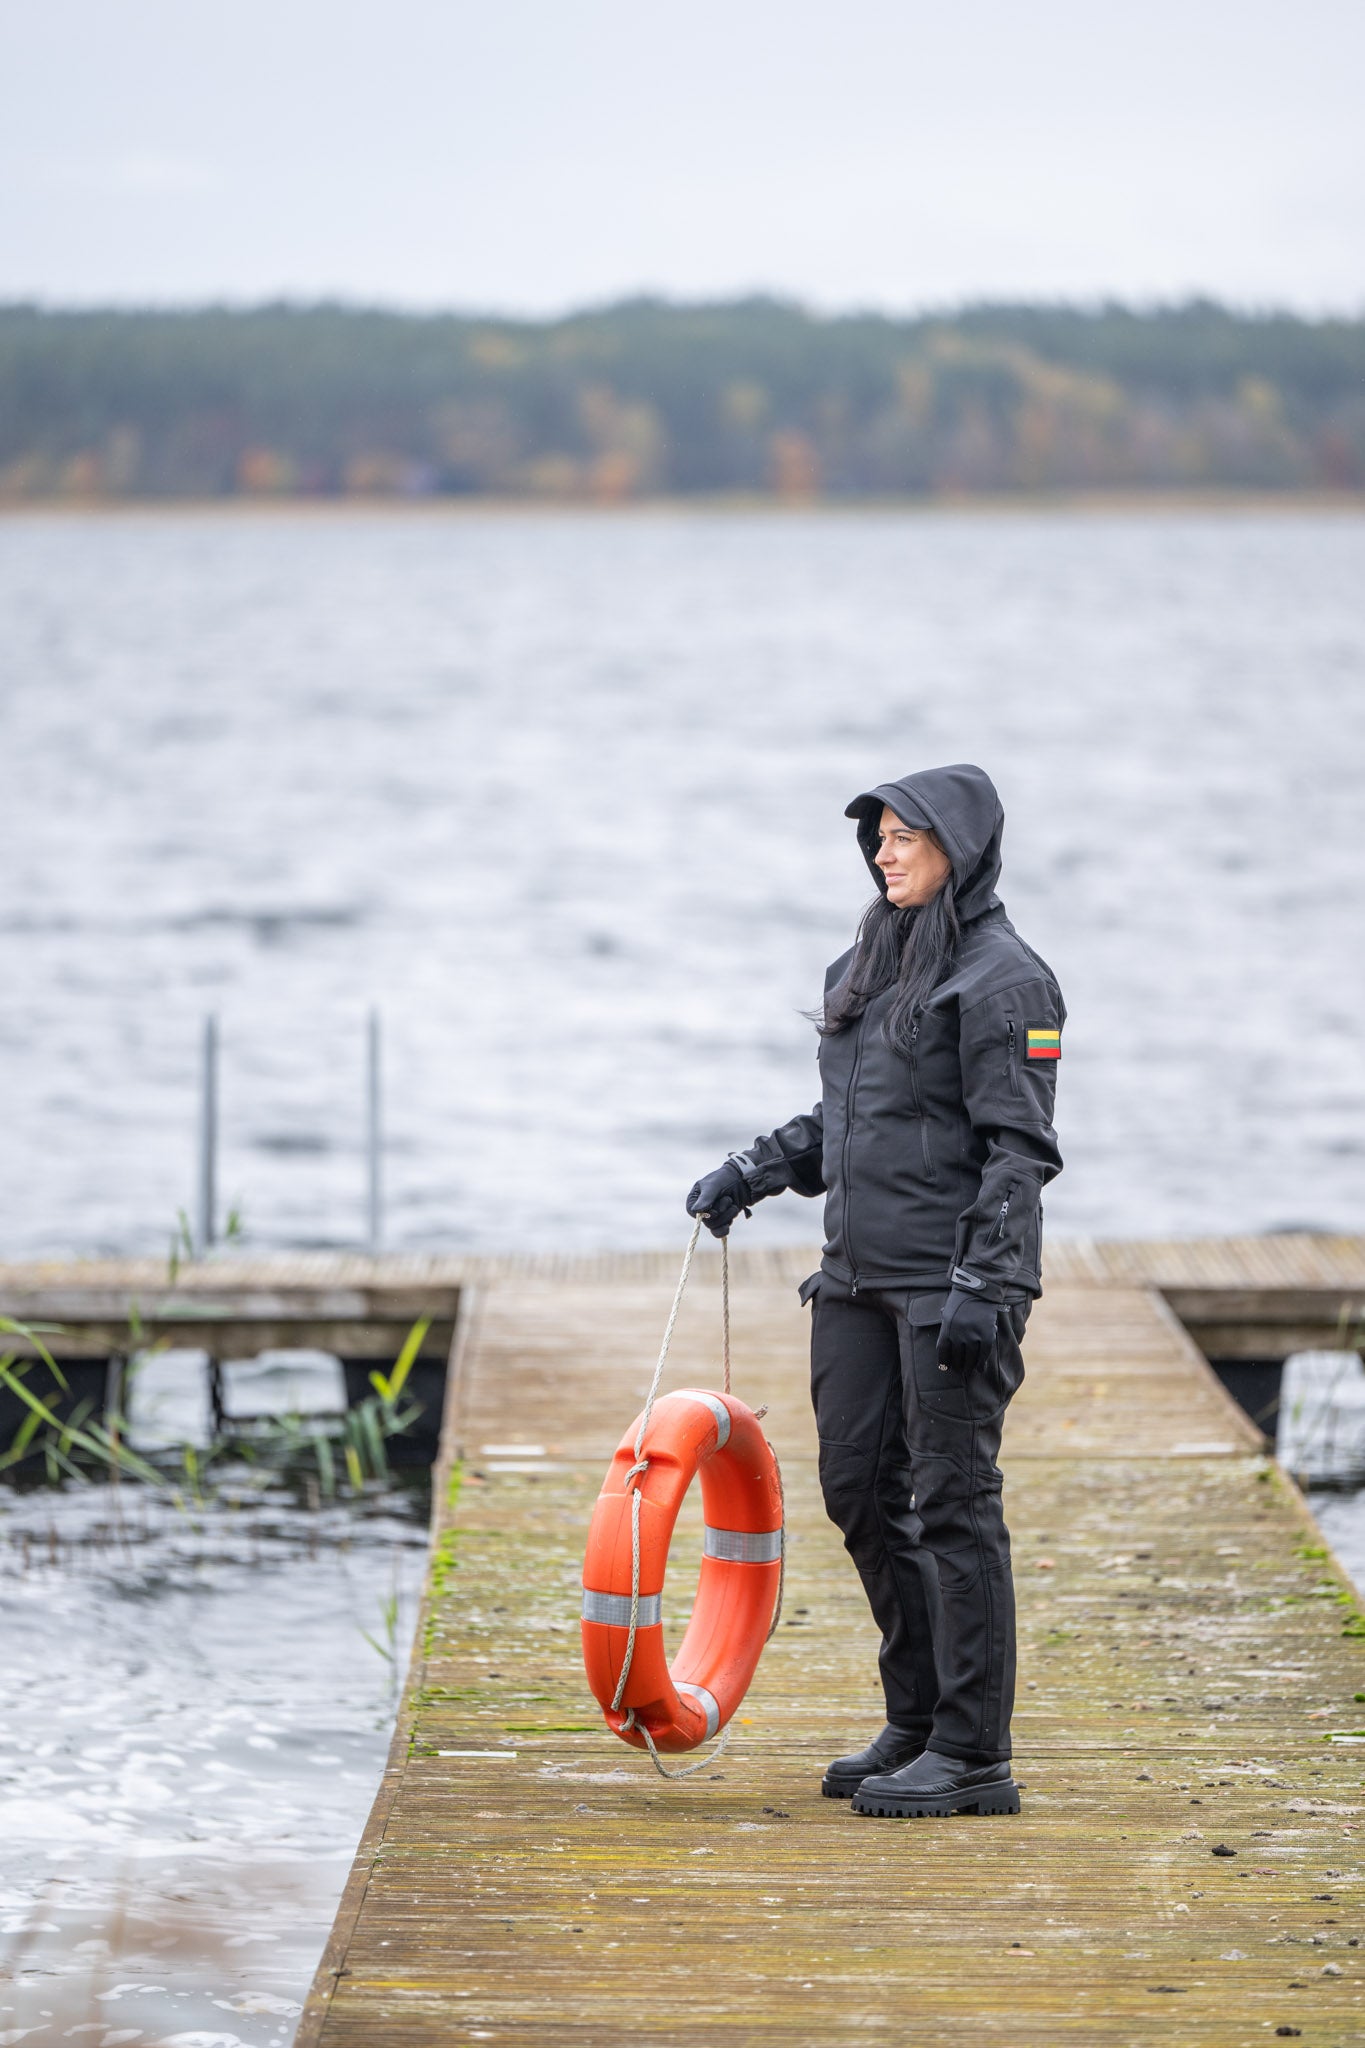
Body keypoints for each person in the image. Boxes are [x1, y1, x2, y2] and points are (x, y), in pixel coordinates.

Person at [686, 764, 1063, 1820]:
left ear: (961, 848)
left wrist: (985, 1279)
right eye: (879, 838)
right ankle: (918, 1719)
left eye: (907, 837)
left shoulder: (1006, 981)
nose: (885, 853)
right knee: (858, 1489)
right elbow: (849, 1119)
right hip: (853, 1278)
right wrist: (755, 1169)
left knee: (953, 1501)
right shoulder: (867, 961)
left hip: (952, 1284)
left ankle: (973, 1751)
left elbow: (1019, 1148)